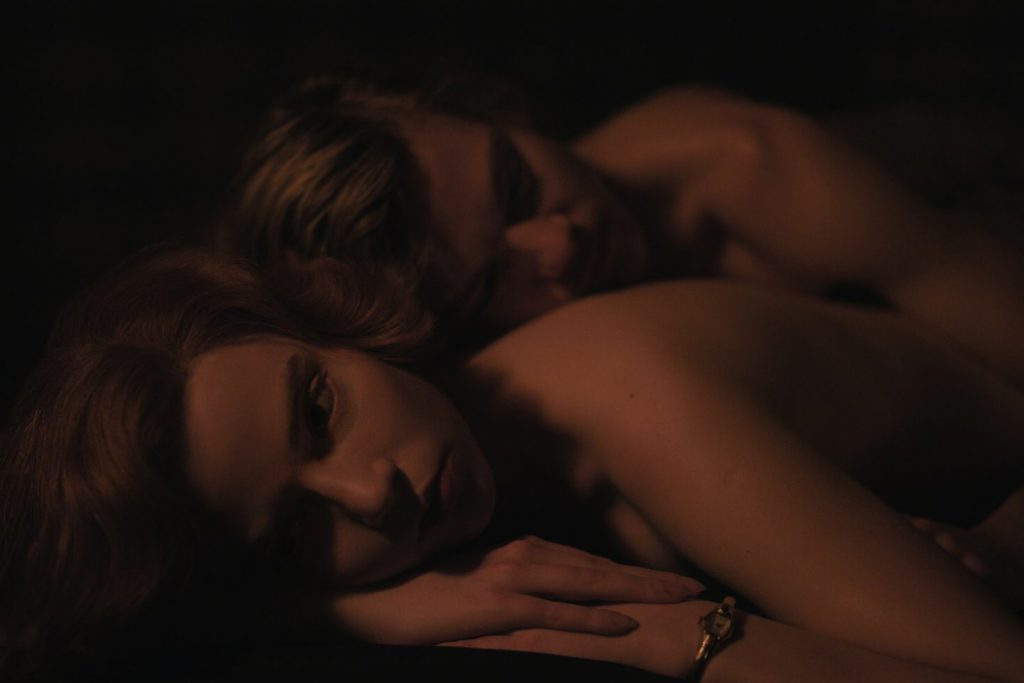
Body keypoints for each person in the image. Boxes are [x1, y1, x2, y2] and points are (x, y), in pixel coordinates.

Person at [3, 247, 1023, 681]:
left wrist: (676, 636)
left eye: (318, 409)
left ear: (326, 324)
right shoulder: (445, 487)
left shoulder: (628, 399)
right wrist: (340, 611)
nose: (372, 492)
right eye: (296, 529)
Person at [217, 73, 1024, 384]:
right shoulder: (472, 368)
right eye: (491, 280)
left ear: (488, 109)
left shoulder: (746, 166)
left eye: (517, 185)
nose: (558, 244)